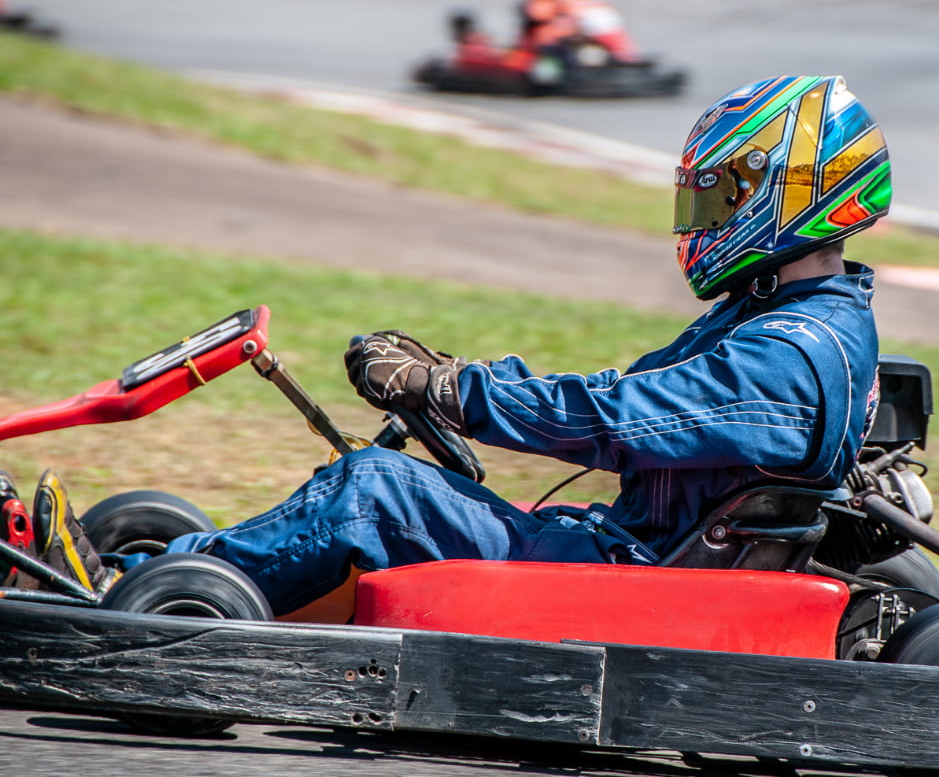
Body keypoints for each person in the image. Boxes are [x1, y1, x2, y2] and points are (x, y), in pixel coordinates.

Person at [16, 75, 893, 617]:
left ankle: (131, 599)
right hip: (629, 546)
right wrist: (450, 386)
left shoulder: (791, 349)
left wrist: (455, 388)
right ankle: (164, 565)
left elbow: (616, 421)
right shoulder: (780, 313)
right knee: (394, 474)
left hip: (631, 578)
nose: (704, 220)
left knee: (374, 490)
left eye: (722, 199)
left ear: (798, 194)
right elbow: (627, 402)